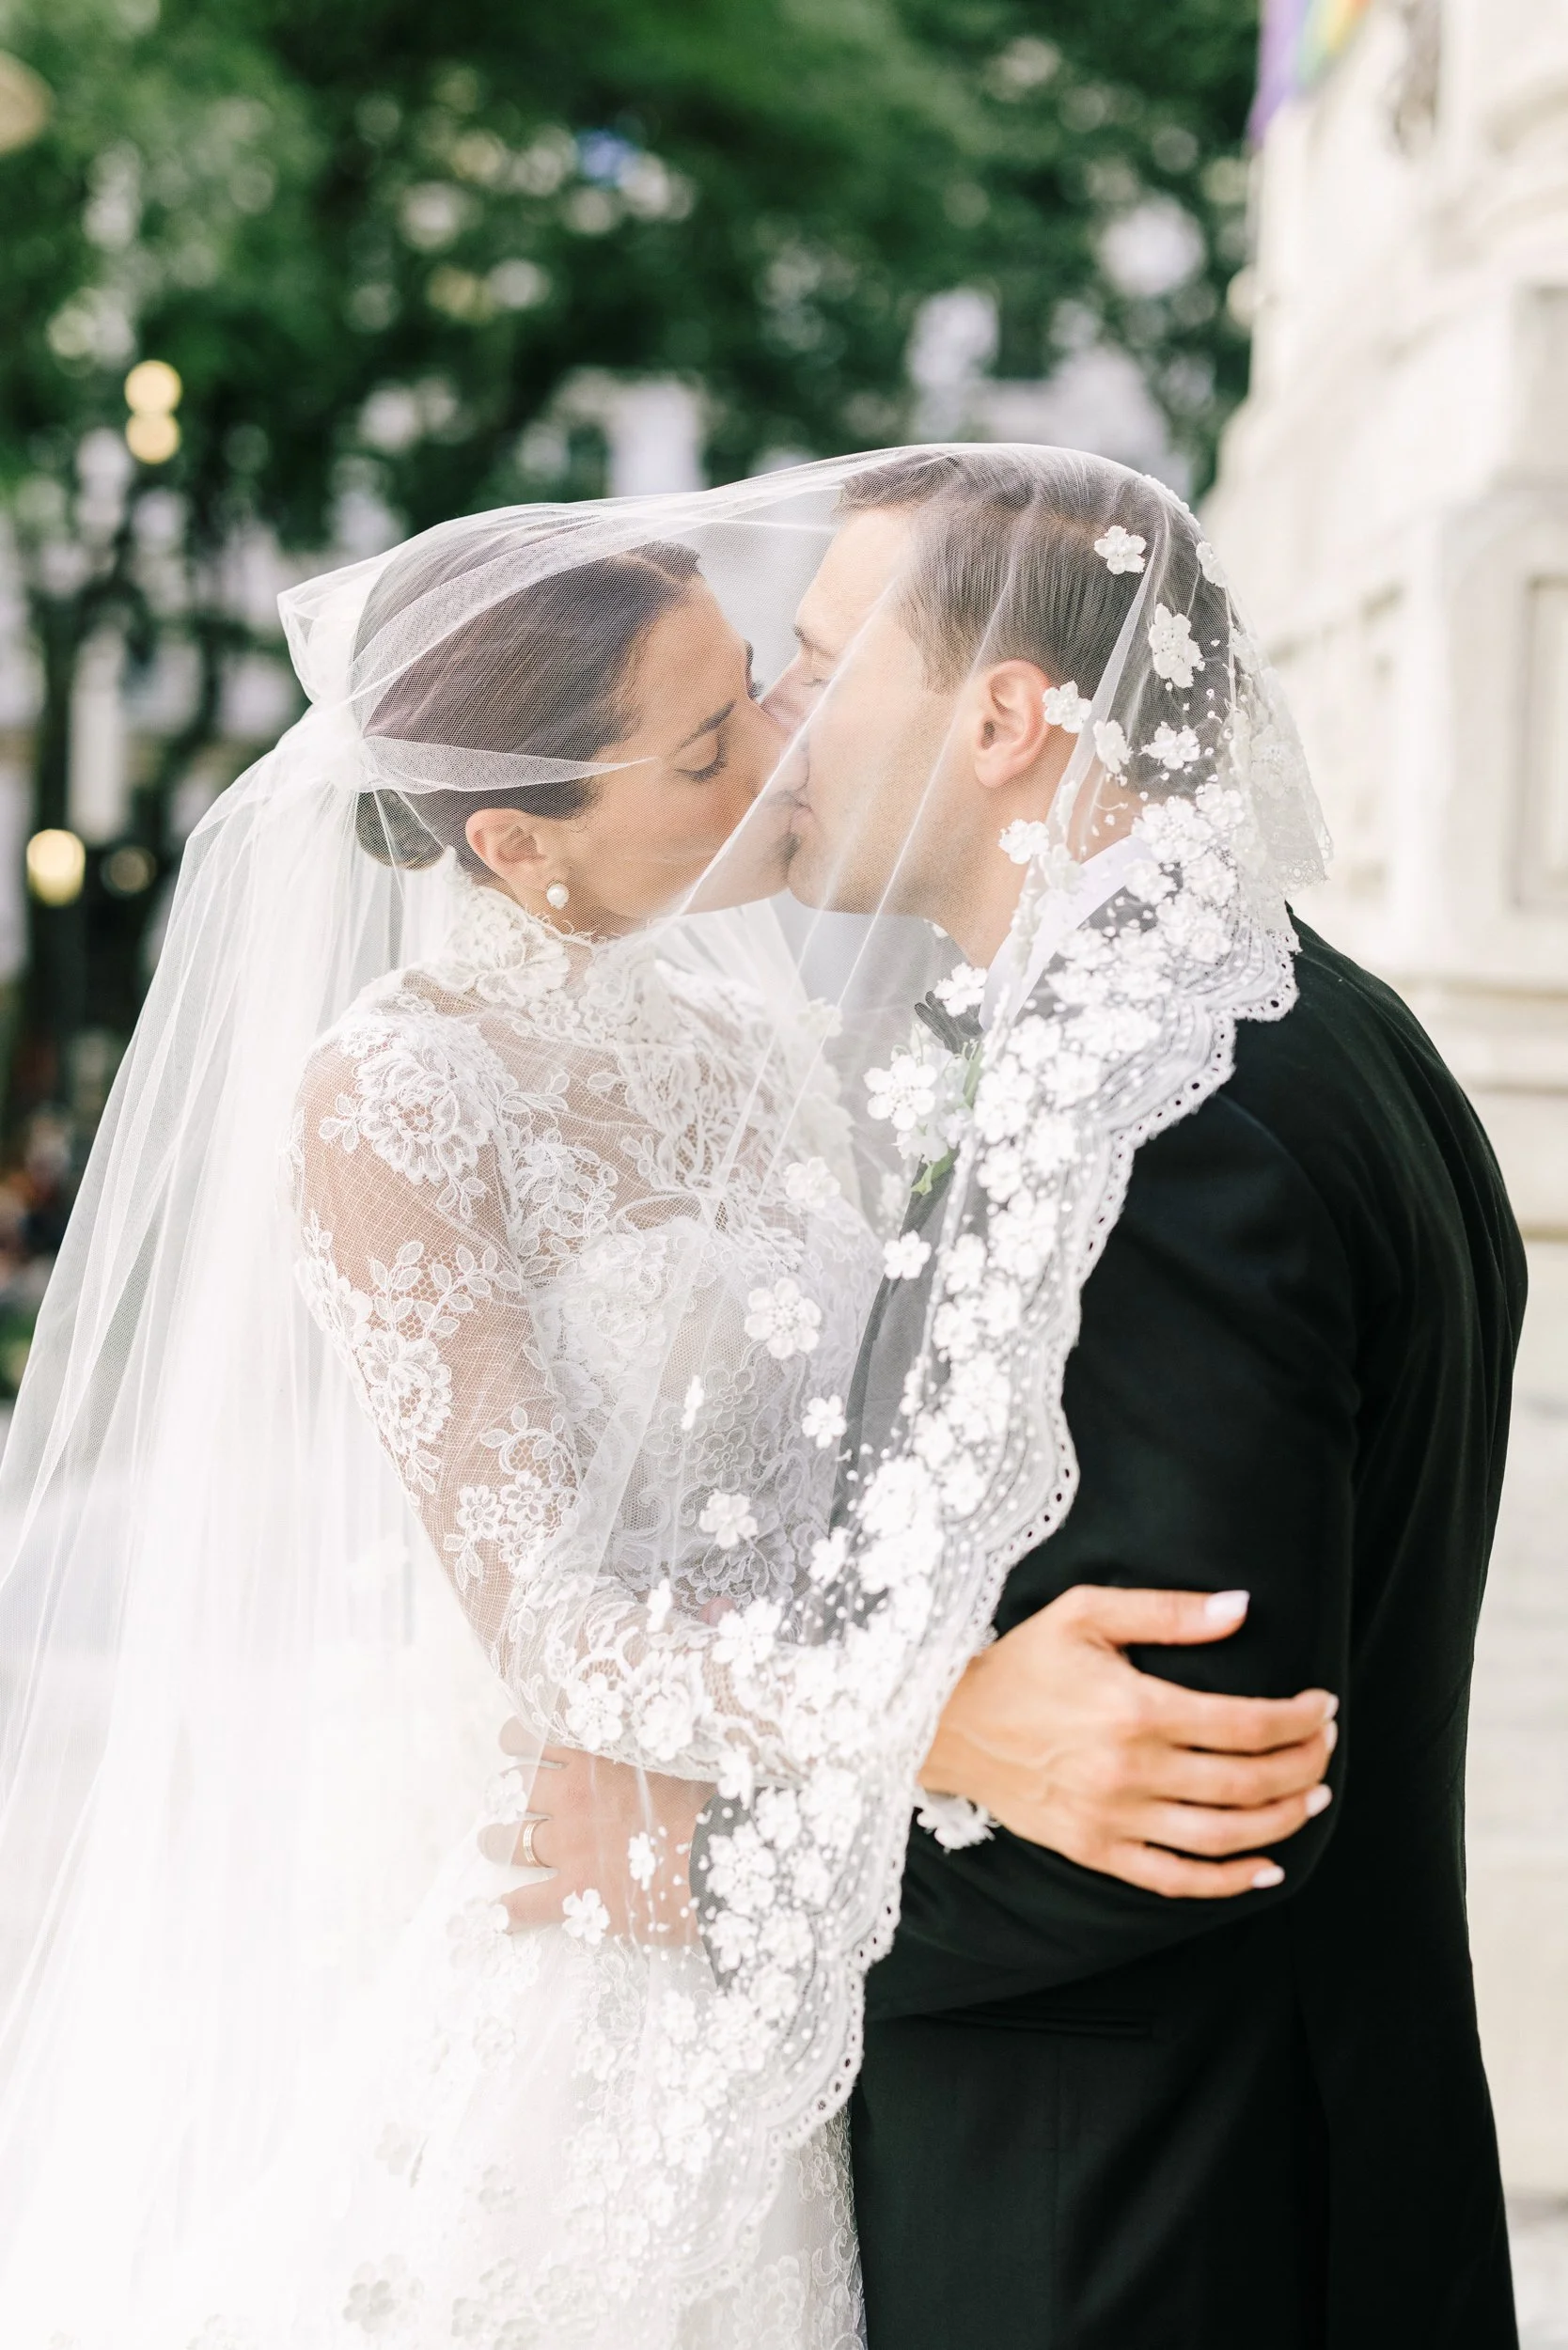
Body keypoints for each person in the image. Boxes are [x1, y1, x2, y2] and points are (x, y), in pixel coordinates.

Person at [0, 456, 1341, 2349]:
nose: (784, 759)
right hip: (611, 1928)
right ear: (517, 840)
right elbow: (547, 1621)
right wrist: (931, 1720)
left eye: (770, 693)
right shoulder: (395, 1097)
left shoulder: (750, 1024)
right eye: (709, 745)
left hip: (834, 1889)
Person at [770, 451, 1526, 2348]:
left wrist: (721, 1884)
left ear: (1004, 716)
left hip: (1120, 2211)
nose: (780, 728)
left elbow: (1182, 1794)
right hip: (1270, 2158)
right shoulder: (1315, 1017)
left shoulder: (1175, 1110)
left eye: (815, 666)